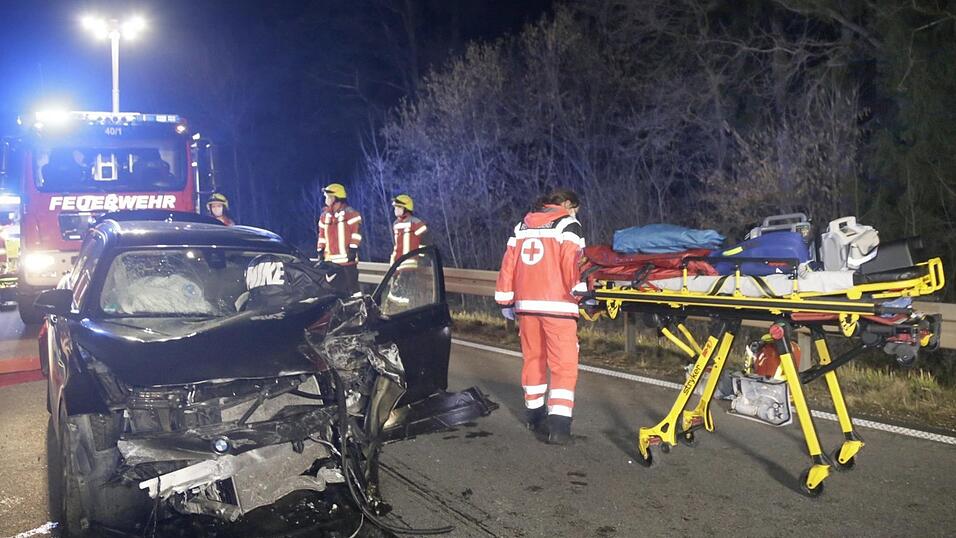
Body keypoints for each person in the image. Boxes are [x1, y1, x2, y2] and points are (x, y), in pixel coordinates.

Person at [495, 189, 587, 445]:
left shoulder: (522, 226)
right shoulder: (567, 225)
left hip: (526, 307)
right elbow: (573, 263)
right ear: (567, 204)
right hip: (558, 306)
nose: (575, 213)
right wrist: (583, 295)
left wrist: (505, 299)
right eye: (575, 209)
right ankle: (559, 428)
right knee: (563, 365)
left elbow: (508, 264)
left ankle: (535, 417)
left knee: (533, 359)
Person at [317, 182, 363, 296]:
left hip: (347, 262)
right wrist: (320, 251)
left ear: (336, 198)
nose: (326, 199)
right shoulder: (324, 216)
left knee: (353, 292)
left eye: (328, 196)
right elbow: (321, 236)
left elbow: (356, 234)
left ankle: (360, 312)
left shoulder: (351, 213)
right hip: (331, 263)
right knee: (334, 293)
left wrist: (353, 250)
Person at [389, 194, 429, 264]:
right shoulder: (396, 224)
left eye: (399, 207)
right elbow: (398, 245)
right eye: (395, 208)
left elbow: (424, 240)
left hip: (411, 264)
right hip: (398, 263)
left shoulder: (415, 223)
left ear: (406, 209)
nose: (396, 210)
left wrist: (422, 258)